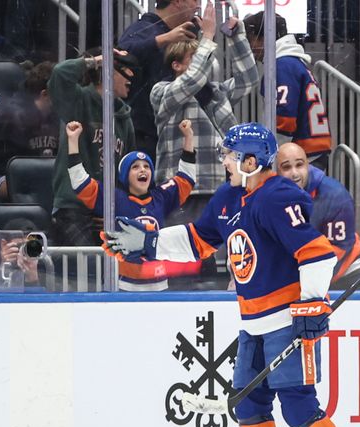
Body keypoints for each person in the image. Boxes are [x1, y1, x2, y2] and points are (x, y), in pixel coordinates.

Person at [100, 123, 360, 427]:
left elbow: (318, 254)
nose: (223, 161)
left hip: (287, 321)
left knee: (297, 405)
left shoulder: (279, 196)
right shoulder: (228, 197)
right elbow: (197, 240)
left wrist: (312, 304)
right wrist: (148, 243)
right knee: (249, 405)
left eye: (229, 155)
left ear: (251, 161)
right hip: (252, 324)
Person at [66, 118, 197, 291]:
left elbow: (186, 179)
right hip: (124, 286)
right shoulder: (114, 198)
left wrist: (188, 137)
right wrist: (73, 140)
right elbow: (79, 182)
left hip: (159, 285)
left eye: (146, 166)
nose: (143, 170)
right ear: (125, 176)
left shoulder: (161, 197)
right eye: (135, 167)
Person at [150, 0, 258, 192]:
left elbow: (248, 79)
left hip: (219, 187)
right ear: (176, 65)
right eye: (195, 56)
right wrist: (207, 36)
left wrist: (236, 37)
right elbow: (192, 80)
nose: (206, 60)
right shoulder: (161, 92)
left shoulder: (216, 93)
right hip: (178, 192)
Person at [48, 49, 138, 246]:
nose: (131, 78)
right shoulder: (78, 100)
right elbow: (60, 74)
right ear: (107, 72)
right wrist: (95, 61)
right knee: (87, 266)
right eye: (126, 71)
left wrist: (118, 210)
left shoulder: (124, 118)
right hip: (73, 207)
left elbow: (128, 173)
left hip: (108, 210)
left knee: (118, 264)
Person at [243, 11, 332, 168]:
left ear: (265, 38)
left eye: (252, 40)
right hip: (311, 152)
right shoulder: (293, 63)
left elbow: (284, 120)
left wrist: (268, 156)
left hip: (302, 156)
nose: (251, 47)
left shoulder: (282, 66)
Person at [276, 142, 360, 290]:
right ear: (277, 171)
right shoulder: (270, 196)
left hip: (347, 272)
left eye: (299, 165)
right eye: (286, 167)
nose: (294, 173)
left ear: (307, 165)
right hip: (303, 274)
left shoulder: (335, 195)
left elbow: (339, 248)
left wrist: (302, 277)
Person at [119, 0, 200, 159]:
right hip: (143, 133)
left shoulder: (186, 34)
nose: (198, 6)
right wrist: (163, 39)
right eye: (195, 0)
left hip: (175, 131)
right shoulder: (143, 28)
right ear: (178, 2)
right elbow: (121, 54)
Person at [0, 61, 58, 195]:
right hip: (6, 178)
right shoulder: (11, 120)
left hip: (44, 180)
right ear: (45, 94)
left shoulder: (57, 119)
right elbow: (4, 166)